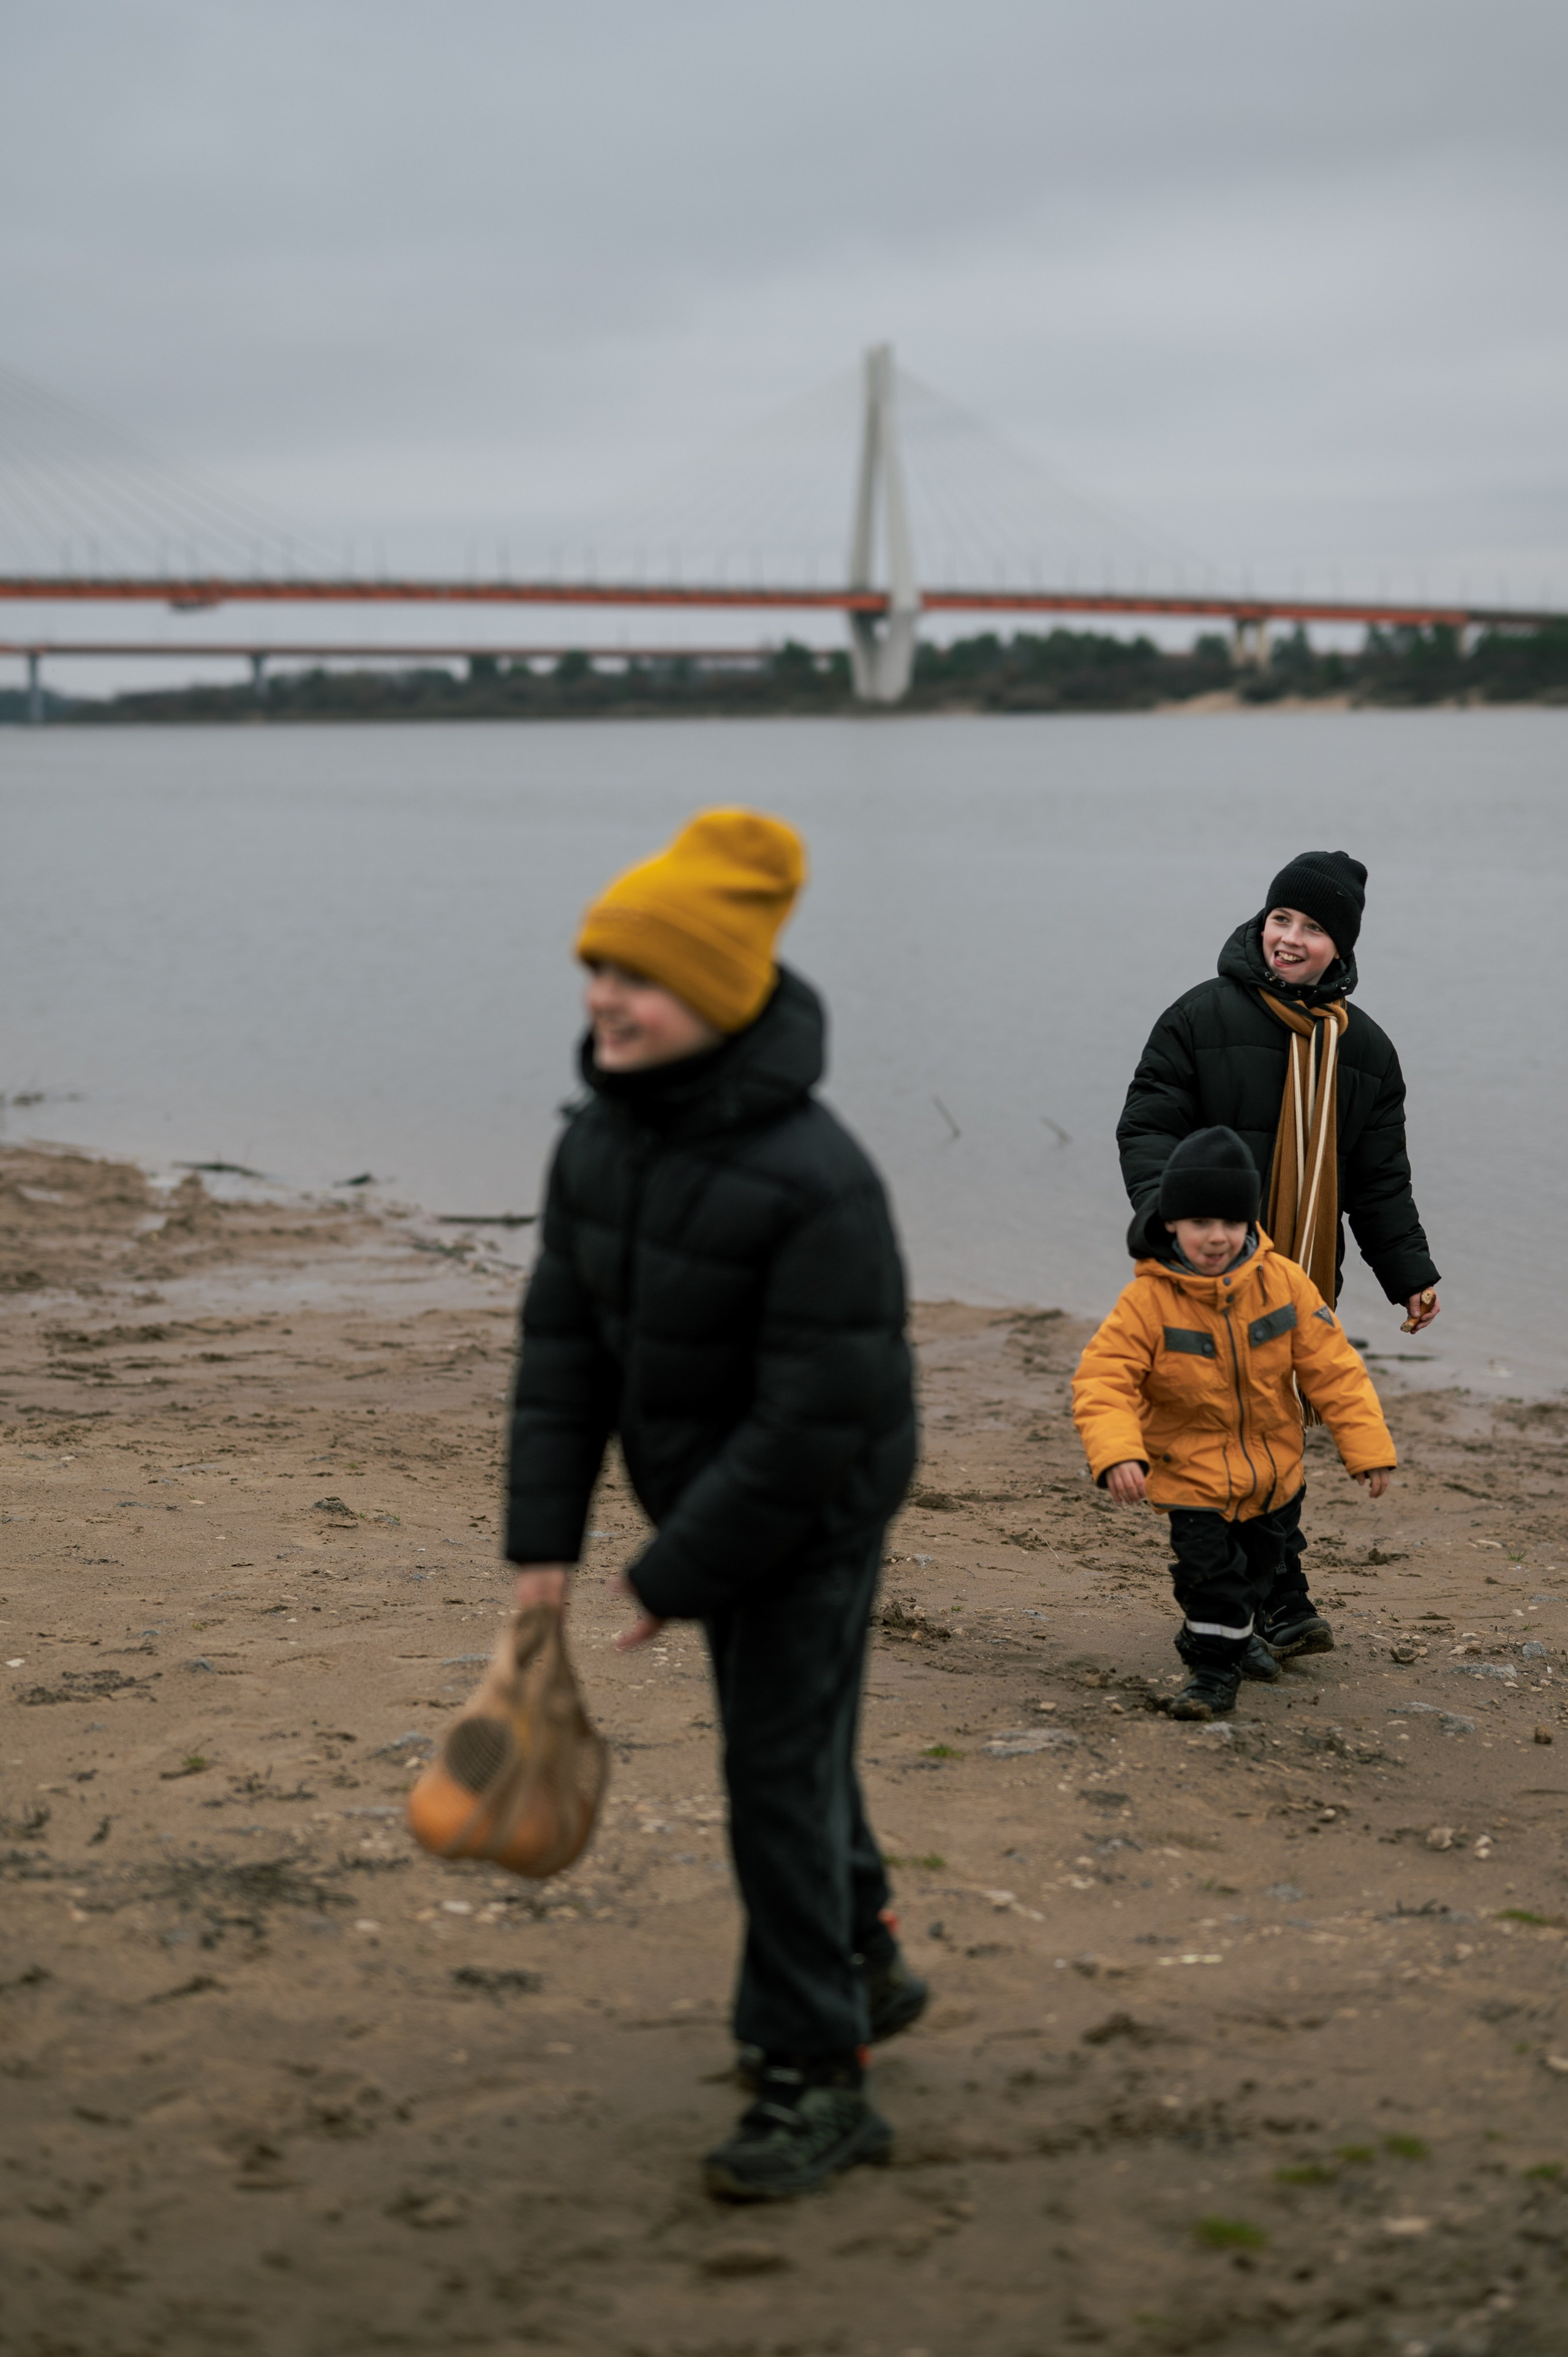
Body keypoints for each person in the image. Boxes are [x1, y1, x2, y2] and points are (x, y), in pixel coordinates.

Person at [502, 807, 923, 2202]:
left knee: (769, 1777)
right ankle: (860, 1946)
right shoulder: (597, 1144)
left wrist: (667, 1570)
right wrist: (542, 1552)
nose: (604, 999)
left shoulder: (819, 1182)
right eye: (596, 966)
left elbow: (815, 1419)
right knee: (793, 1750)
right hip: (710, 1498)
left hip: (813, 1515)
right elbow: (562, 1355)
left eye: (639, 974)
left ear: (723, 993)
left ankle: (818, 2075)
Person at [1116, 850, 1439, 1658]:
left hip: (1299, 1281)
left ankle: (1275, 1598)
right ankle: (1252, 1607)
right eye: (1280, 920)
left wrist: (1410, 1275)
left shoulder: (1365, 1052)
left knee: (1274, 1437)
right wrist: (1172, 1225)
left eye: (1313, 927)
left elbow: (1377, 1180)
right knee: (1207, 1437)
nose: (1290, 938)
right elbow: (1148, 1127)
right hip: (1200, 1272)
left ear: (1343, 947)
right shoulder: (1199, 1018)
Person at [1072, 1127, 1398, 1719]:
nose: (1216, 1237)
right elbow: (1102, 1382)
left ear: (1251, 1222)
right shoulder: (1148, 1303)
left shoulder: (1285, 1285)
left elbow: (1334, 1370)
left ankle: (1217, 1636)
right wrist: (1118, 1453)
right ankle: (1212, 1677)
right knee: (1211, 1582)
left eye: (1231, 1223)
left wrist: (1368, 1449)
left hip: (1276, 1477)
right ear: (1171, 1223)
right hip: (1191, 1477)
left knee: (1254, 1579)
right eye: (1199, 1223)